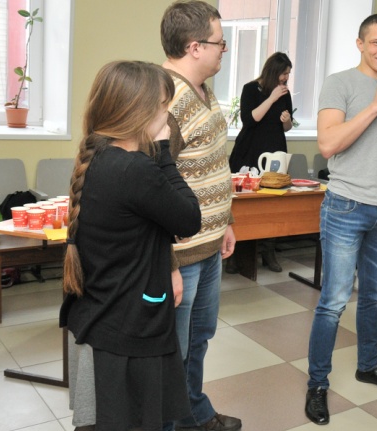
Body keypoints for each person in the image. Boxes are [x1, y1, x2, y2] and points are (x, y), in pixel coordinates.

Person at [60, 60, 202, 431]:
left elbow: (143, 227)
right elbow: (189, 219)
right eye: (163, 106)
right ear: (139, 112)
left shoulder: (101, 158)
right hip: (127, 331)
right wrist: (164, 150)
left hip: (100, 317)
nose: (168, 114)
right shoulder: (135, 169)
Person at [304, 13, 377, 426]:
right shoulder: (340, 83)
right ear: (360, 44)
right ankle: (317, 384)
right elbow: (328, 144)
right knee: (334, 301)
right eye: (376, 43)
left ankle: (368, 366)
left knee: (375, 297)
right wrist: (374, 107)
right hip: (345, 207)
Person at [160, 2, 240, 430]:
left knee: (198, 339)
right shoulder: (165, 99)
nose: (224, 49)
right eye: (219, 43)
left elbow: (212, 163)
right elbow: (153, 186)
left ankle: (193, 413)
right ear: (194, 47)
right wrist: (167, 261)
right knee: (174, 349)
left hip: (209, 244)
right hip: (181, 254)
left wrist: (227, 221)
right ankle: (173, 422)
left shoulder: (203, 90)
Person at [228, 52, 293, 272]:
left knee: (273, 205)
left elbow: (287, 127)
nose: (286, 78)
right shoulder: (250, 89)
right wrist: (272, 98)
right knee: (245, 205)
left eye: (288, 74)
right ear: (273, 71)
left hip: (275, 151)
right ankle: (236, 255)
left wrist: (287, 121)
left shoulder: (285, 92)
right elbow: (250, 119)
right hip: (249, 151)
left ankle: (268, 252)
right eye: (284, 73)